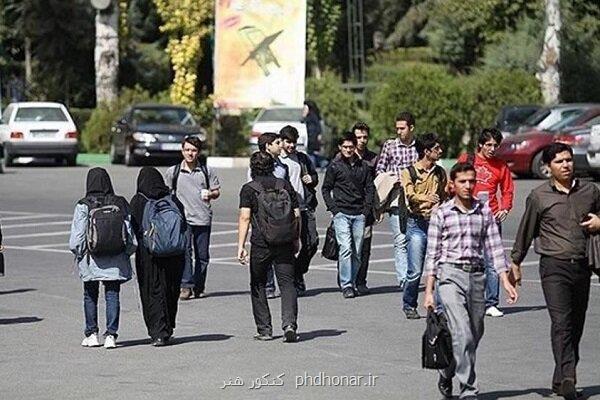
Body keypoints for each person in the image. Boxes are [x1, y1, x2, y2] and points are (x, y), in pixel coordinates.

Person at [510, 143, 600, 400]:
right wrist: (515, 263)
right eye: (559, 161)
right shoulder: (539, 196)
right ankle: (569, 379)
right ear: (548, 167)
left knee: (576, 324)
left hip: (582, 265)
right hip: (553, 267)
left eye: (569, 160)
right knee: (561, 323)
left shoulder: (590, 190)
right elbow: (525, 231)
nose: (566, 165)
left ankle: (560, 378)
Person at [422, 162, 518, 399]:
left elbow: (494, 247)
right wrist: (429, 291)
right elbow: (432, 254)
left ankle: (447, 372)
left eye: (471, 181)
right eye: (463, 182)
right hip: (449, 277)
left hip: (477, 277)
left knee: (474, 334)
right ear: (452, 185)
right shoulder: (442, 213)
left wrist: (505, 280)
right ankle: (469, 390)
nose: (468, 186)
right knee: (462, 332)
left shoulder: (484, 211)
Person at [69, 168, 137, 349]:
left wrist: (79, 254)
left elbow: (77, 239)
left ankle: (92, 334)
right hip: (115, 258)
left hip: (91, 259)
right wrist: (126, 253)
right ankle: (111, 335)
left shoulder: (84, 205)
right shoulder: (120, 203)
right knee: (112, 295)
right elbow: (130, 235)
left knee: (90, 295)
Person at [237, 151, 301, 342]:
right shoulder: (285, 185)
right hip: (285, 241)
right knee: (287, 283)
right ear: (273, 166)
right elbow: (296, 215)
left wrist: (240, 245)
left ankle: (265, 329)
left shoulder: (249, 189)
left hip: (261, 243)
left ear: (252, 168)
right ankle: (289, 324)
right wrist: (296, 238)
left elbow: (245, 217)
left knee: (258, 284)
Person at [458, 128, 514, 318]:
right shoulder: (468, 159)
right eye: (488, 145)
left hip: (490, 219)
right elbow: (454, 183)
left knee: (492, 263)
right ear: (480, 144)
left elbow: (507, 190)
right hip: (467, 217)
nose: (492, 149)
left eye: (495, 145)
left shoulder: (500, 166)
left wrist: (505, 208)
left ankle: (491, 302)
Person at [130, 167, 187, 347]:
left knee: (152, 291)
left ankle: (158, 332)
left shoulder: (139, 201)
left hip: (149, 255)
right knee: (171, 290)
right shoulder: (173, 200)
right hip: (175, 254)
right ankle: (168, 328)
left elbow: (133, 228)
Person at [165, 136, 221, 300]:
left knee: (202, 256)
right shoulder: (173, 172)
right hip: (182, 220)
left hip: (203, 218)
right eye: (187, 150)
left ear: (199, 152)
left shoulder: (206, 171)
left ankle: (199, 285)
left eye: (194, 150)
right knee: (185, 253)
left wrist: (210, 194)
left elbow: (217, 191)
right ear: (182, 151)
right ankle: (186, 286)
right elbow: (166, 193)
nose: (190, 153)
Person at [322, 132, 375, 298]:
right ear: (340, 147)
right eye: (345, 147)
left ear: (355, 147)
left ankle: (352, 281)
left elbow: (370, 189)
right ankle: (346, 285)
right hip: (341, 214)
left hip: (359, 214)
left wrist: (366, 210)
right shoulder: (335, 167)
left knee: (356, 251)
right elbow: (325, 189)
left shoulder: (363, 167)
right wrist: (334, 209)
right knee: (345, 248)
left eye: (351, 147)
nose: (348, 150)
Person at [401, 133, 447, 319]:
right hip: (416, 223)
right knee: (416, 271)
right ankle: (409, 304)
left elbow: (445, 195)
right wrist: (426, 198)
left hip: (436, 224)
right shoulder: (410, 171)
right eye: (436, 149)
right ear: (426, 152)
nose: (440, 151)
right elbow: (409, 193)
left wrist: (441, 205)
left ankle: (440, 307)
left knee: (440, 269)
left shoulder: (440, 172)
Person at [375, 112, 419, 289]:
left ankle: (413, 275)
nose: (399, 131)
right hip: (395, 198)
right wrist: (391, 178)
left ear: (411, 128)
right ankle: (404, 280)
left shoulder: (420, 147)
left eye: (402, 128)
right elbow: (380, 169)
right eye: (397, 128)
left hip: (416, 200)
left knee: (414, 240)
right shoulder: (390, 146)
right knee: (400, 240)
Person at [278, 125, 320, 296]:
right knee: (288, 247)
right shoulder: (277, 161)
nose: (291, 146)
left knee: (312, 243)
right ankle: (292, 281)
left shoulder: (302, 158)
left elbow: (314, 176)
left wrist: (312, 179)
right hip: (286, 211)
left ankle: (297, 272)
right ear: (280, 141)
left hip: (305, 207)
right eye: (288, 142)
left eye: (294, 143)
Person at [247, 132, 288, 299]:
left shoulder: (283, 167)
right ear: (267, 146)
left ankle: (285, 283)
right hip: (262, 215)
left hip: (280, 214)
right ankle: (269, 285)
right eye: (277, 142)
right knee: (264, 247)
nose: (281, 145)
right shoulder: (255, 165)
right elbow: (250, 188)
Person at [352, 122, 378, 294]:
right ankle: (347, 280)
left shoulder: (373, 158)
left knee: (365, 247)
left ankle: (360, 281)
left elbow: (377, 184)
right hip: (346, 208)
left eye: (364, 137)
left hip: (366, 209)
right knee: (348, 247)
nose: (362, 141)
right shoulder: (342, 157)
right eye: (358, 137)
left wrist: (377, 209)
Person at [302, 100, 323, 168]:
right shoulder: (314, 117)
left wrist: (304, 117)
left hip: (311, 141)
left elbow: (312, 130)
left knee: (311, 156)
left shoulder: (310, 118)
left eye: (305, 108)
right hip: (312, 141)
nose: (303, 110)